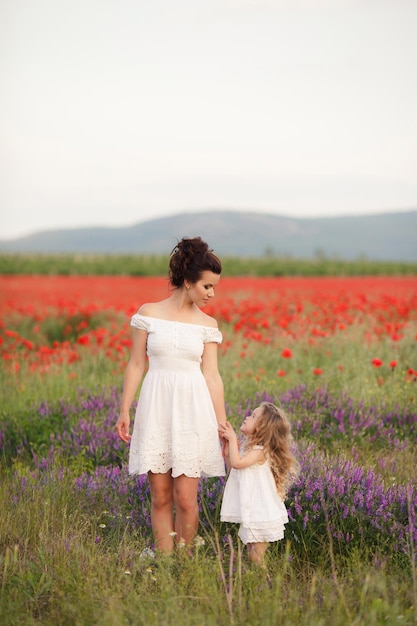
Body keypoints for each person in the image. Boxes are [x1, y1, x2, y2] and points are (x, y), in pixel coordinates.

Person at [115, 236, 227, 553]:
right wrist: (125, 410)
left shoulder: (208, 324)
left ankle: (185, 562)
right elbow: (136, 364)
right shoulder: (148, 313)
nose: (212, 294)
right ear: (188, 282)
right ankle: (164, 564)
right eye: (207, 286)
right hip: (156, 407)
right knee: (161, 496)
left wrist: (222, 424)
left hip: (193, 410)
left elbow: (212, 376)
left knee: (186, 498)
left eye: (214, 287)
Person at [219, 401, 299, 568]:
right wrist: (228, 451)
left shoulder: (259, 451)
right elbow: (234, 469)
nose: (247, 417)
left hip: (261, 514)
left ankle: (265, 584)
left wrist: (233, 439)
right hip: (253, 512)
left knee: (257, 556)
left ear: (262, 428)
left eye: (253, 416)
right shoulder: (250, 449)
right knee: (252, 554)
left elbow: (238, 464)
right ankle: (258, 585)